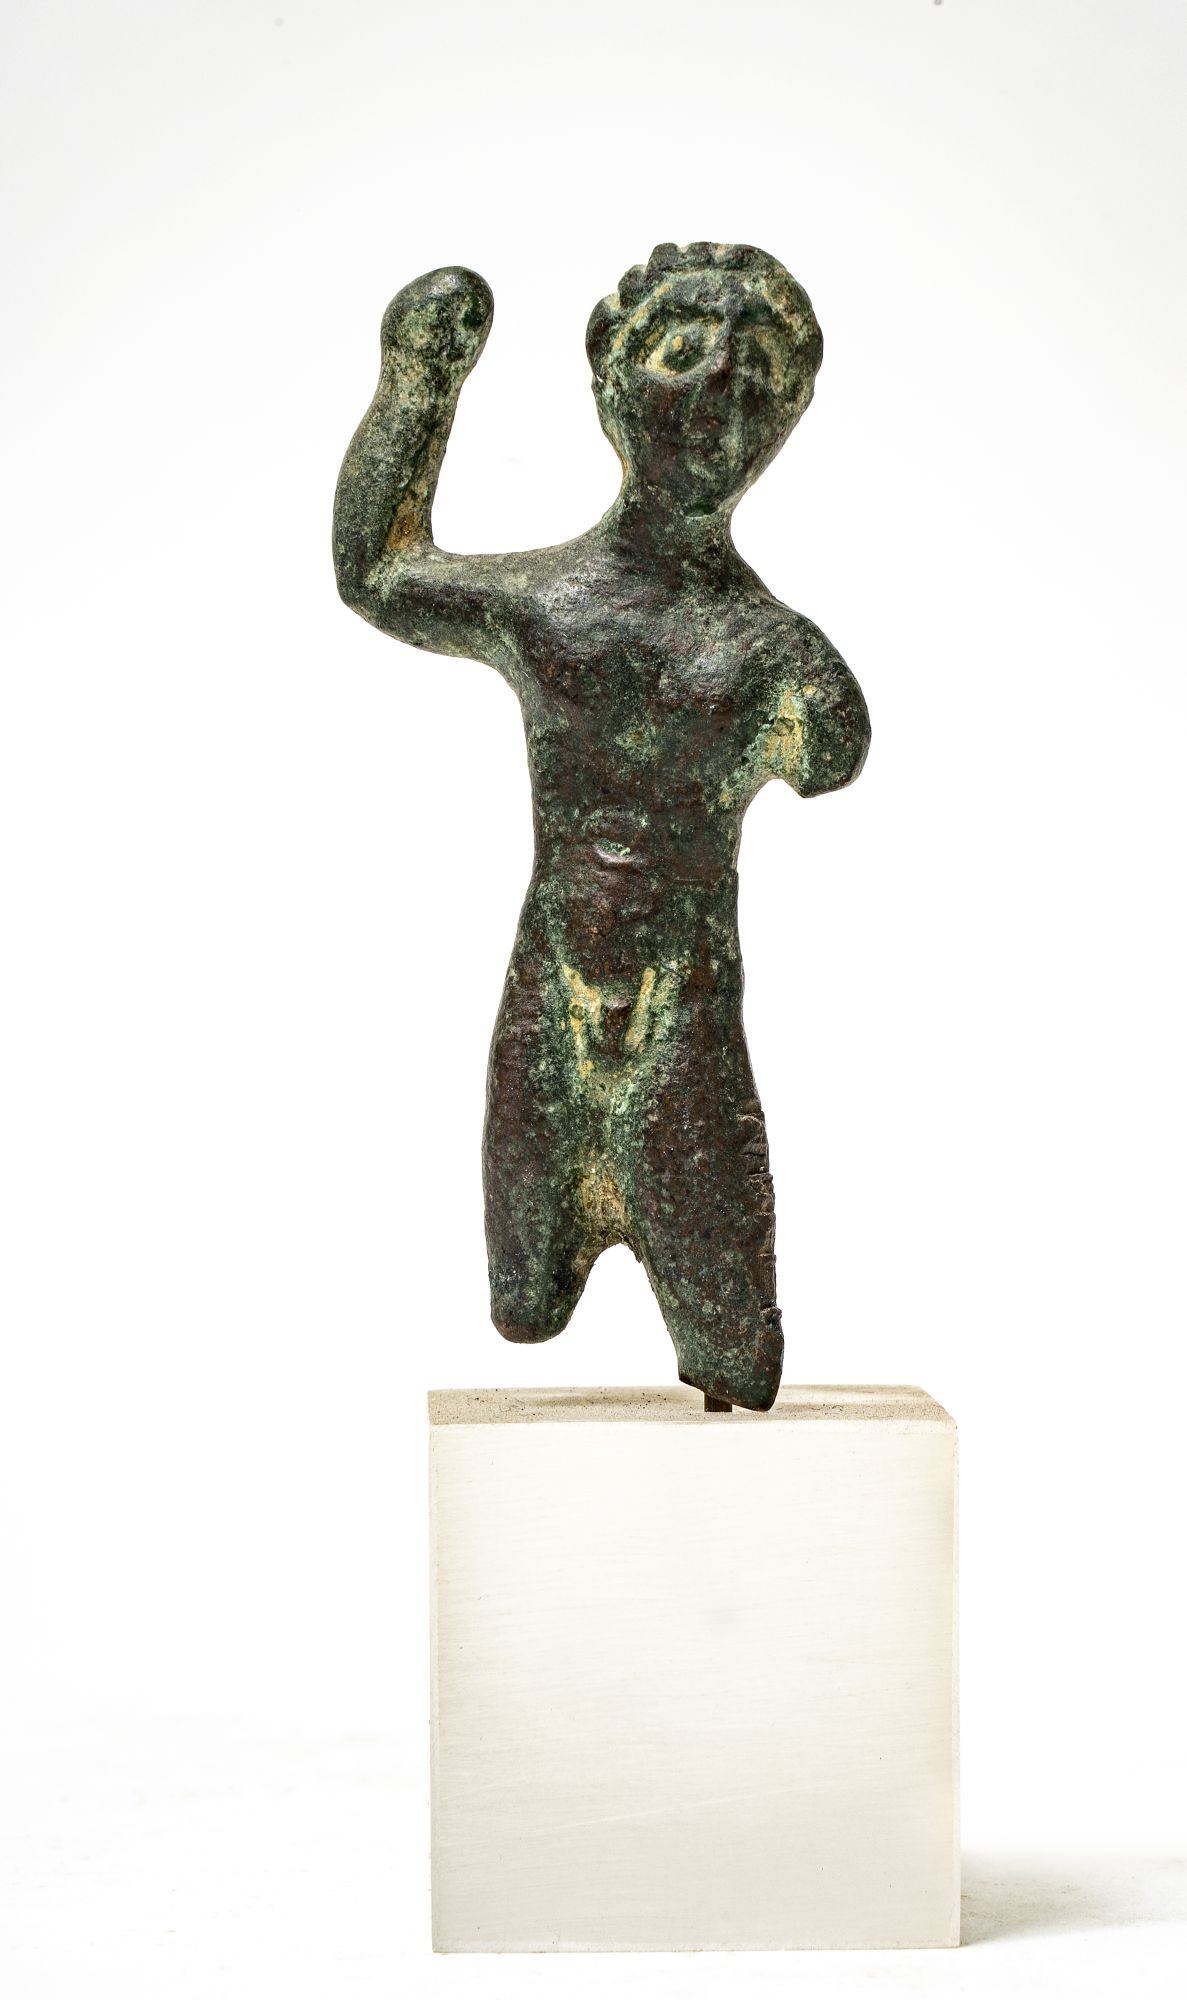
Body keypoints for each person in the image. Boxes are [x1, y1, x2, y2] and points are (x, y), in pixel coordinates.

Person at [333, 242, 870, 1411]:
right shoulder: (548, 607)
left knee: (734, 1346)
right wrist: (417, 384)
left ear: (787, 417)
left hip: (683, 1019)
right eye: (682, 351)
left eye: (757, 372)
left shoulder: (774, 655)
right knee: (521, 1300)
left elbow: (835, 748)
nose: (718, 386)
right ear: (610, 377)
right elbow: (379, 570)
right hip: (552, 995)